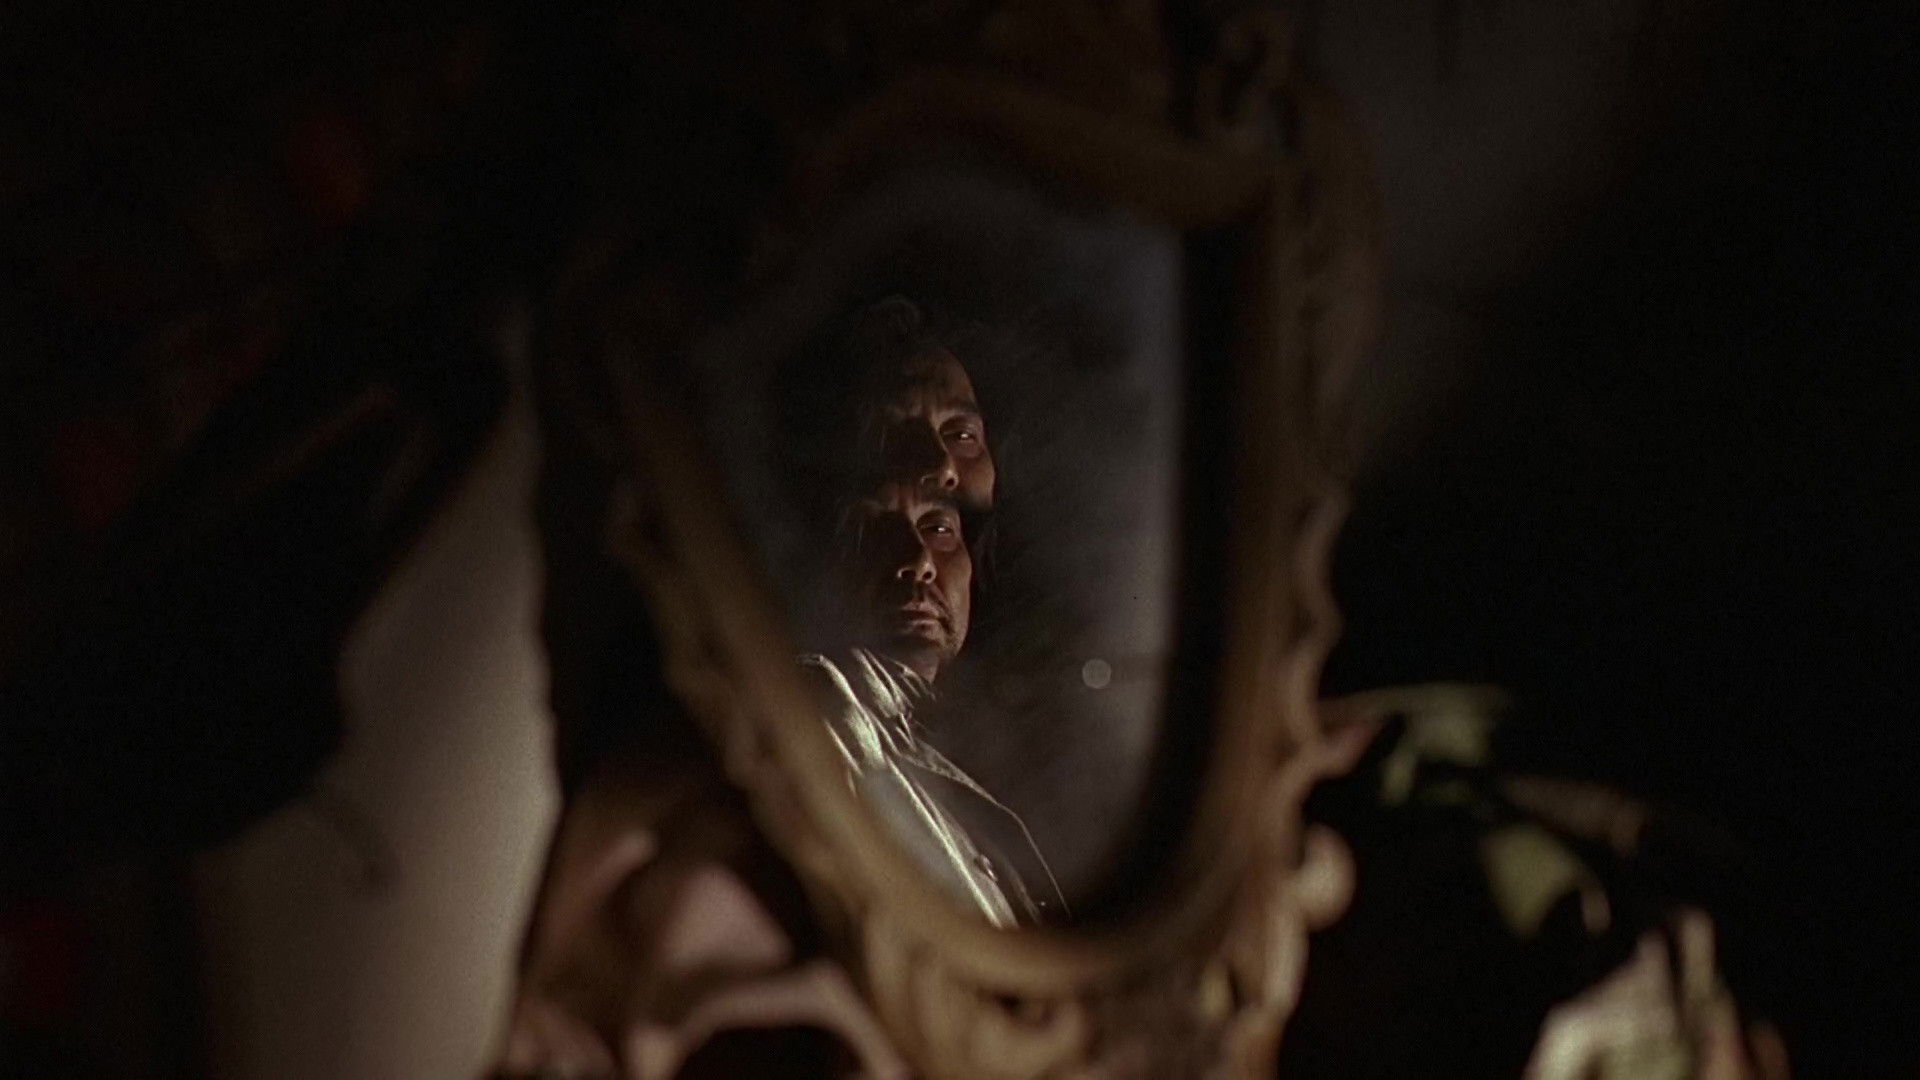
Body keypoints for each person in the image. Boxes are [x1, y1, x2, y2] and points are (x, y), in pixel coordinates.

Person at [783, 296, 1066, 927]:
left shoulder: (974, 755)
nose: (917, 562)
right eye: (876, 532)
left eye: (961, 436)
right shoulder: (820, 716)